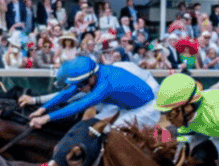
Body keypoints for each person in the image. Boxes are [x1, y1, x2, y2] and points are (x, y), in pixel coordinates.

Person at [24, 55, 159, 131]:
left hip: (146, 109)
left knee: (104, 132)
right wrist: (42, 109)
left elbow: (79, 105)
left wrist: (46, 118)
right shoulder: (92, 76)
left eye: (81, 84)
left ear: (92, 77)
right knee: (91, 126)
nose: (79, 88)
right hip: (125, 106)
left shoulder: (105, 85)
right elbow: (66, 93)